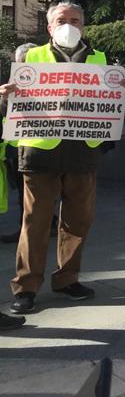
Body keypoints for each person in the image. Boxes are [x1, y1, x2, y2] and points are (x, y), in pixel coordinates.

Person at [1, 3, 125, 315]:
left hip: (83, 149)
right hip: (40, 149)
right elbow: (12, 111)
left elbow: (115, 109)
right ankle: (26, 287)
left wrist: (124, 94)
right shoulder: (30, 58)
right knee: (35, 222)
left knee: (79, 220)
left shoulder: (100, 60)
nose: (69, 25)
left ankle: (67, 279)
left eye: (75, 20)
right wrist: (5, 96)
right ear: (49, 27)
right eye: (62, 20)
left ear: (83, 26)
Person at [1, 43, 37, 245]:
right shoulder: (14, 82)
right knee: (26, 193)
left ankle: (28, 229)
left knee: (28, 194)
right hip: (16, 145)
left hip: (26, 145)